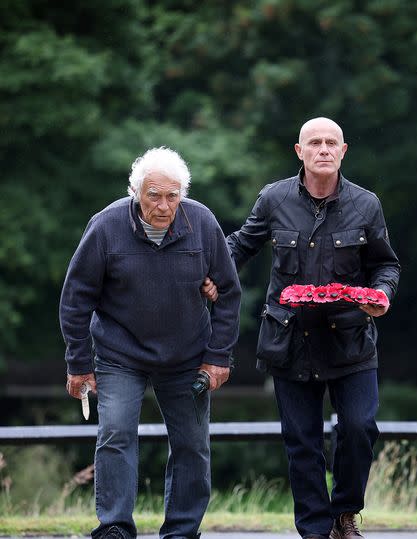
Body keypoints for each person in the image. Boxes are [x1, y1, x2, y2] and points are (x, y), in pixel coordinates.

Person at [219, 117, 400, 539]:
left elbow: (385, 263)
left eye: (330, 142)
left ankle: (345, 515)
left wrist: (382, 294)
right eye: (314, 142)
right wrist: (205, 269)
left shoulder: (366, 204)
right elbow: (240, 246)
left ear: (343, 151)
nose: (323, 148)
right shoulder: (273, 198)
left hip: (350, 340)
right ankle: (315, 531)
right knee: (302, 442)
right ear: (299, 151)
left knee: (358, 428)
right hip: (290, 341)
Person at [59, 147, 241, 539]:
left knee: (193, 444)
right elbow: (75, 298)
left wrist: (218, 357)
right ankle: (115, 526)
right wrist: (78, 363)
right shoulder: (106, 226)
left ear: (182, 194)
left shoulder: (204, 223)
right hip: (120, 353)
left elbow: (227, 292)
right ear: (135, 192)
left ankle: (181, 529)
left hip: (187, 355)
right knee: (116, 433)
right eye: (153, 196)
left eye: (172, 196)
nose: (163, 205)